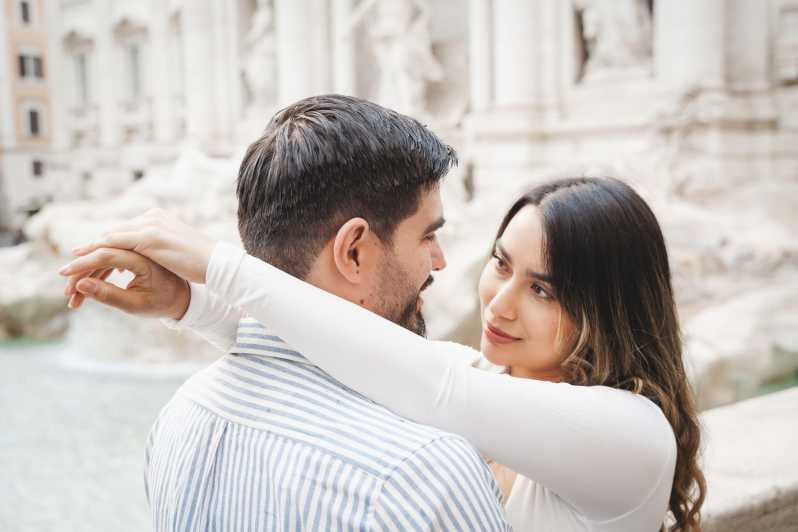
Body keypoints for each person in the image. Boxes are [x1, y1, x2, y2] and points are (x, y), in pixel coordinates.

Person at [63, 168, 707, 528]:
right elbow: (340, 353)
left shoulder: (634, 435)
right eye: (500, 264)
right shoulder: (486, 378)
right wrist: (187, 302)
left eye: (543, 289)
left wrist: (222, 266)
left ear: (612, 308)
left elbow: (434, 388)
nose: (499, 302)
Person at [60, 95, 511, 531]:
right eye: (427, 236)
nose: (440, 260)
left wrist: (196, 304)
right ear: (353, 252)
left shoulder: (179, 416)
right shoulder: (425, 477)